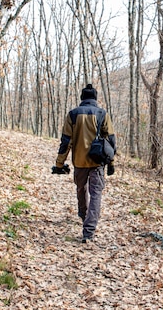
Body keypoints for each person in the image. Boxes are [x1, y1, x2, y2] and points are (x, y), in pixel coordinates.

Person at [54, 84, 116, 243]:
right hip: (97, 162)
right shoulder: (102, 113)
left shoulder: (73, 114)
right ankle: (88, 232)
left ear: (82, 98)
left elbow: (65, 141)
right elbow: (111, 140)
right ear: (95, 98)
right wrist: (112, 162)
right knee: (96, 194)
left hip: (79, 161)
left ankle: (84, 217)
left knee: (81, 190)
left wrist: (60, 164)